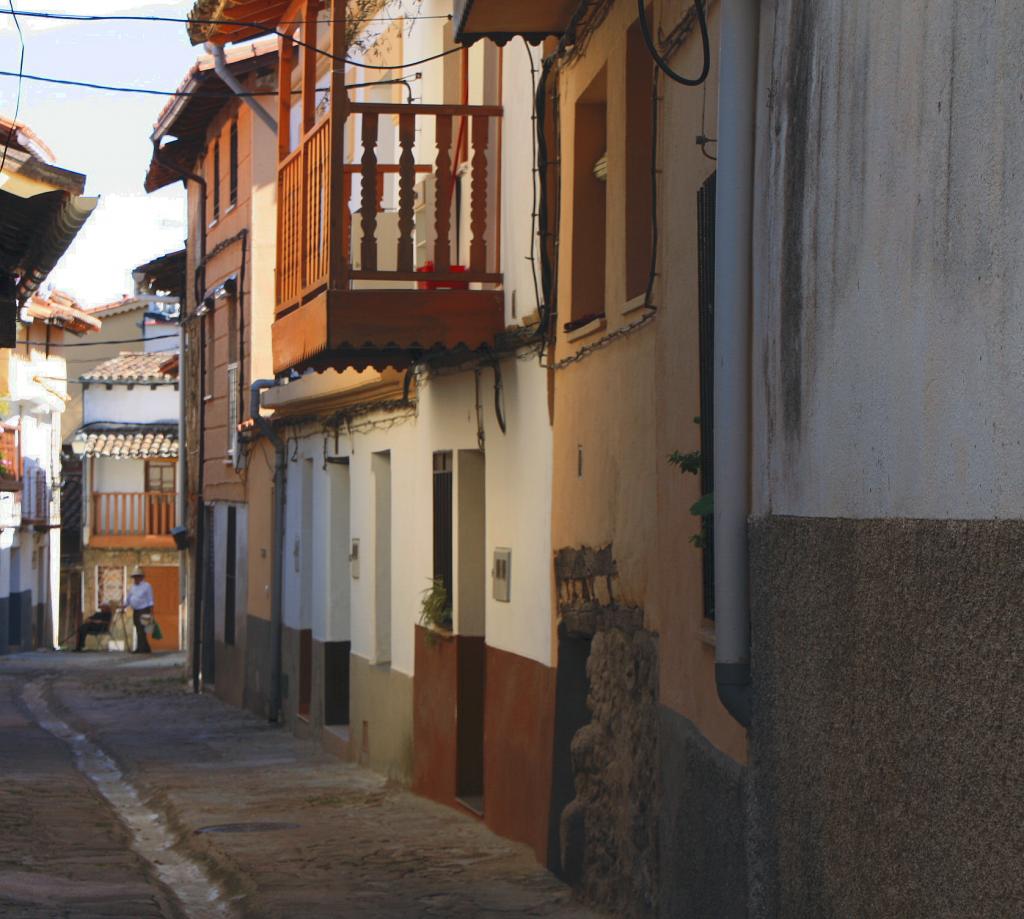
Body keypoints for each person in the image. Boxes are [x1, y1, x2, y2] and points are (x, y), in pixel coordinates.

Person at [124, 566, 155, 654]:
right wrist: (124, 606)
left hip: (144, 609)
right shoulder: (133, 587)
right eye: (134, 577)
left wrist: (151, 611)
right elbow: (129, 598)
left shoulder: (147, 586)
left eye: (137, 577)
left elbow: (150, 599)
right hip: (136, 610)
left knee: (142, 629)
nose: (135, 579)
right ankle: (144, 648)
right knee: (138, 629)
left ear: (141, 577)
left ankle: (142, 648)